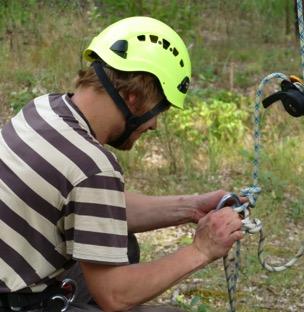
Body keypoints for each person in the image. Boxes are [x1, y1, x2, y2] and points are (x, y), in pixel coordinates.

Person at [0, 16, 244, 312]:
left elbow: (96, 207)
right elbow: (114, 296)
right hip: (18, 304)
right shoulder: (91, 166)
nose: (153, 125)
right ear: (133, 99)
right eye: (158, 109)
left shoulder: (44, 109)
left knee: (121, 242)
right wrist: (202, 250)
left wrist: (190, 207)